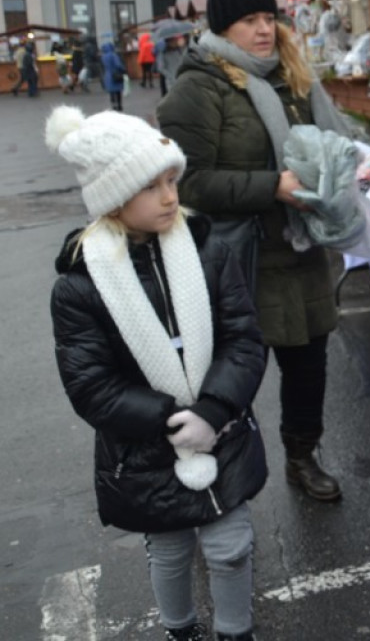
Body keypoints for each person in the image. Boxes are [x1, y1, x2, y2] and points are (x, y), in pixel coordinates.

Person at [47, 105, 267, 641]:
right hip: (142, 447)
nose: (170, 197)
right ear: (114, 198)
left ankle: (236, 632)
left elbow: (243, 339)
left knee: (231, 547)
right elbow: (90, 385)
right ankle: (180, 630)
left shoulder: (208, 250)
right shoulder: (80, 285)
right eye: (151, 186)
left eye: (172, 180)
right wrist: (169, 419)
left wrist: (213, 409)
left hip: (221, 428)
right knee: (169, 549)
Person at [158, 0, 354, 502]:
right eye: (250, 20)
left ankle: (302, 456)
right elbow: (186, 182)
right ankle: (218, 468)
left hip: (300, 248)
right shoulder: (198, 87)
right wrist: (273, 187)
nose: (265, 29)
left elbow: (321, 143)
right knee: (233, 374)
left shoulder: (290, 77)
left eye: (269, 17)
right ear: (223, 27)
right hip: (237, 260)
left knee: (309, 366)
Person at [100, 40, 127, 111]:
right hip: (115, 74)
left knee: (111, 92)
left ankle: (113, 105)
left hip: (107, 75)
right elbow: (118, 65)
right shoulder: (113, 55)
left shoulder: (103, 56)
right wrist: (123, 69)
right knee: (118, 91)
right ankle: (119, 105)